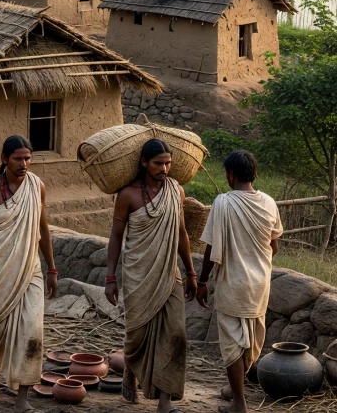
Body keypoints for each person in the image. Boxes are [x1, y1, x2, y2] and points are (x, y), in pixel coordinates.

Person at [0, 135, 56, 410]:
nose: (24, 163)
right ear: (5, 159)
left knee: (32, 331)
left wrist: (51, 268)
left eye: (28, 158)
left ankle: (22, 398)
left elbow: (43, 230)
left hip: (31, 270)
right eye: (18, 158)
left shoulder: (36, 186)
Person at [105, 139, 195, 411]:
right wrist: (110, 277)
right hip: (137, 275)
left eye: (168, 163)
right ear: (144, 163)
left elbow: (181, 233)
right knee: (137, 335)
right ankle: (130, 370)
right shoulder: (128, 195)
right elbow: (116, 236)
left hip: (169, 274)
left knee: (176, 335)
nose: (164, 168)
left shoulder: (176, 191)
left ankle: (165, 401)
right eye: (158, 163)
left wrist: (190, 272)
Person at [198, 150, 282, 413]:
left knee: (233, 345)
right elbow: (274, 246)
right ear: (254, 174)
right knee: (251, 340)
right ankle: (233, 389)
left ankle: (240, 403)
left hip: (232, 285)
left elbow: (212, 251)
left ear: (230, 175)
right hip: (259, 285)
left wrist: (201, 281)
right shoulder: (268, 202)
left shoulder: (222, 203)